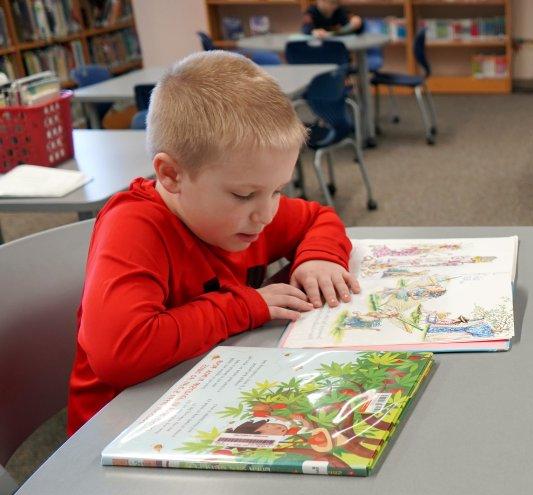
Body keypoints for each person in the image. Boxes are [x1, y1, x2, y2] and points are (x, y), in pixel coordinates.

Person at [67, 51, 360, 434]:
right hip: (120, 427)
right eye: (244, 195)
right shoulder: (134, 226)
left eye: (278, 191)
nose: (267, 214)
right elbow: (121, 353)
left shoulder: (247, 212)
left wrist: (318, 258)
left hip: (205, 391)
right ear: (171, 175)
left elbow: (318, 218)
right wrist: (245, 306)